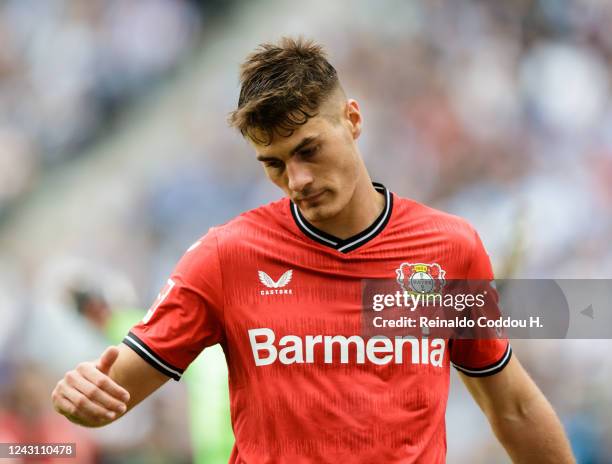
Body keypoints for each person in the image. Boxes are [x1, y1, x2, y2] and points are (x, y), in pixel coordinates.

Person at [52, 37, 575, 463]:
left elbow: (513, 409)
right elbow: (111, 396)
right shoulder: (226, 257)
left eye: (308, 150)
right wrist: (79, 398)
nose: (296, 179)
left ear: (351, 119)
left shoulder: (449, 250)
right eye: (273, 164)